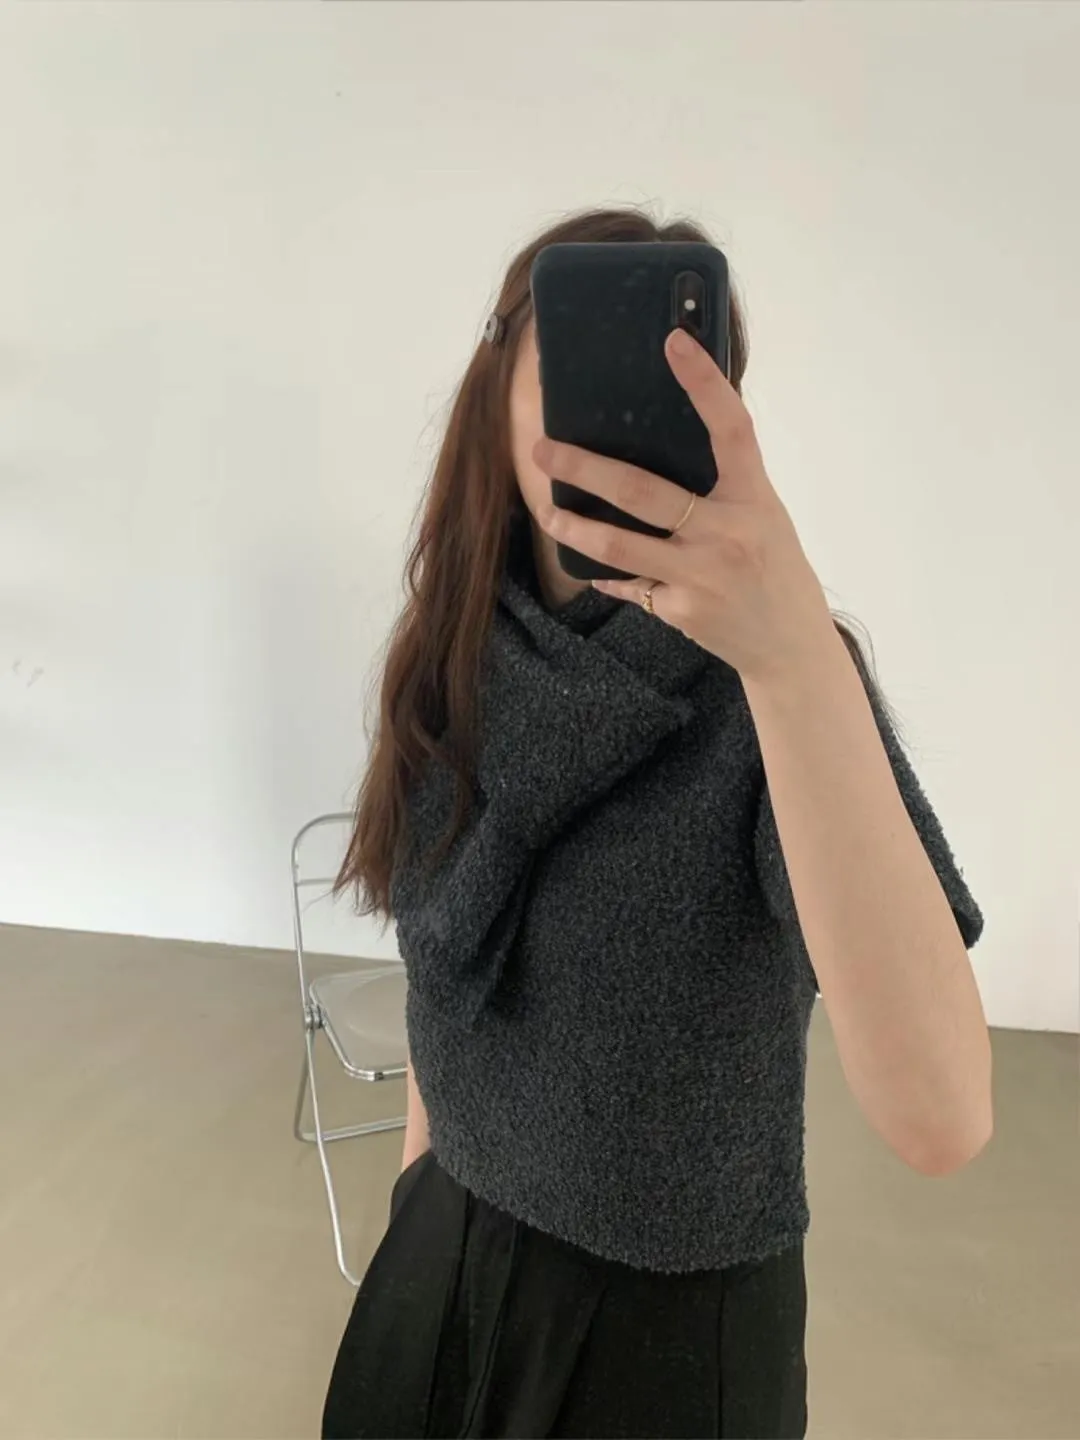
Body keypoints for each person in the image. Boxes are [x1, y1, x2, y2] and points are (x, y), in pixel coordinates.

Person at [321, 207, 991, 1440]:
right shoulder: (460, 651)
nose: (616, 411)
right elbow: (448, 970)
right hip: (440, 1262)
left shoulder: (775, 683)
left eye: (682, 377)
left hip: (667, 1337)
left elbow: (943, 1116)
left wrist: (792, 656)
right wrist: (420, 1192)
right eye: (580, 361)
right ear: (496, 389)